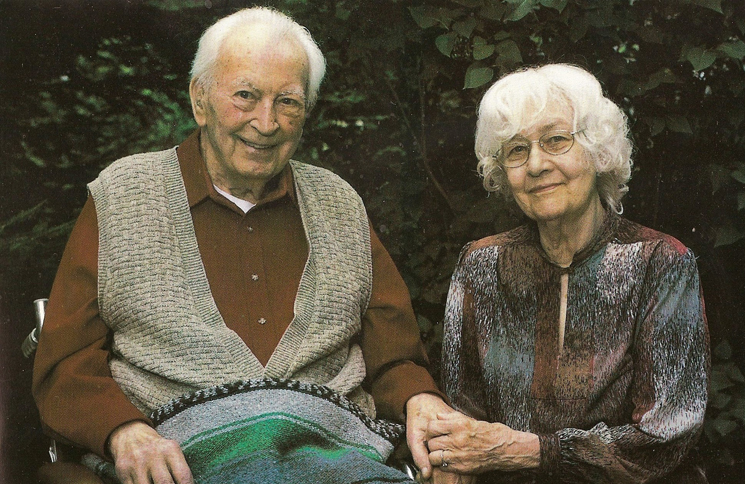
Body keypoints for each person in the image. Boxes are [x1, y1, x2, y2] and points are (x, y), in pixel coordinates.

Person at [32, 7, 452, 484]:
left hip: (337, 460)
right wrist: (123, 431)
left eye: (288, 102)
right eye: (246, 96)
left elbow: (395, 357)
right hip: (179, 464)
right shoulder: (123, 195)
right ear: (200, 99)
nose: (266, 122)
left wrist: (422, 399)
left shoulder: (340, 203)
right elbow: (65, 362)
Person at [424, 64, 709, 484]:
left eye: (556, 140)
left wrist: (532, 453)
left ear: (598, 150)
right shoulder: (479, 266)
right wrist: (452, 462)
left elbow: (666, 433)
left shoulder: (660, 262)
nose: (536, 164)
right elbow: (462, 413)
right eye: (516, 150)